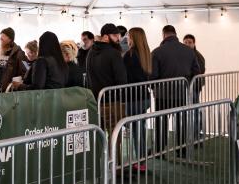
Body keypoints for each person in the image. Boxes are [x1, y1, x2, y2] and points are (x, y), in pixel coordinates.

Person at [151, 25, 200, 156]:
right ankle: (182, 150)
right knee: (181, 122)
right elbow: (197, 72)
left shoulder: (157, 52)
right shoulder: (189, 51)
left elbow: (153, 75)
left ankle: (159, 149)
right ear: (175, 34)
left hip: (162, 94)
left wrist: (153, 88)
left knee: (161, 122)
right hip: (181, 93)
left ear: (163, 35)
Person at [123, 28, 153, 170]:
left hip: (133, 98)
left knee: (135, 129)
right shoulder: (146, 53)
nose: (127, 38)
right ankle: (142, 159)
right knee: (140, 127)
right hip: (144, 97)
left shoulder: (130, 55)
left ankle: (140, 161)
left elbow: (126, 77)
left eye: (128, 36)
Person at [85, 23, 127, 98]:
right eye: (114, 36)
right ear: (105, 37)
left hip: (94, 98)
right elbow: (121, 79)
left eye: (118, 35)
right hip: (111, 99)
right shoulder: (114, 53)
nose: (118, 39)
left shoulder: (91, 51)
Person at [182, 34, 206, 103]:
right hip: (187, 84)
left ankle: (197, 114)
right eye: (185, 42)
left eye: (190, 42)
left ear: (194, 43)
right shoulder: (184, 54)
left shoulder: (198, 56)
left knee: (194, 103)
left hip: (195, 85)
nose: (187, 44)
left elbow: (201, 70)